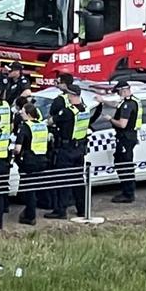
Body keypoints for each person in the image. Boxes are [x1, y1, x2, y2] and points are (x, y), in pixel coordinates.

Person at [47, 83, 96, 219]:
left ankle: (60, 211)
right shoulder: (85, 109)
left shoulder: (68, 111)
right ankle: (82, 209)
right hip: (79, 148)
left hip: (67, 149)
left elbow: (51, 121)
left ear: (73, 96)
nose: (67, 97)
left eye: (69, 94)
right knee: (78, 180)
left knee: (63, 180)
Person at [103, 80, 140, 204]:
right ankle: (127, 192)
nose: (118, 95)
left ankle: (128, 194)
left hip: (125, 138)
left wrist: (110, 119)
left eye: (119, 92)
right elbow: (116, 104)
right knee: (123, 163)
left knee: (124, 165)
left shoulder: (127, 105)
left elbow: (122, 124)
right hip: (130, 137)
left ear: (124, 91)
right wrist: (103, 101)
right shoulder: (132, 101)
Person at [13, 102, 48, 225]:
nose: (20, 114)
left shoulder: (25, 127)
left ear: (28, 114)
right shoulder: (43, 126)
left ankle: (30, 216)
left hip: (29, 161)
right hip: (42, 160)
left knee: (29, 190)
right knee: (35, 188)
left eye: (22, 112)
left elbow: (18, 148)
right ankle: (29, 212)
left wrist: (14, 155)